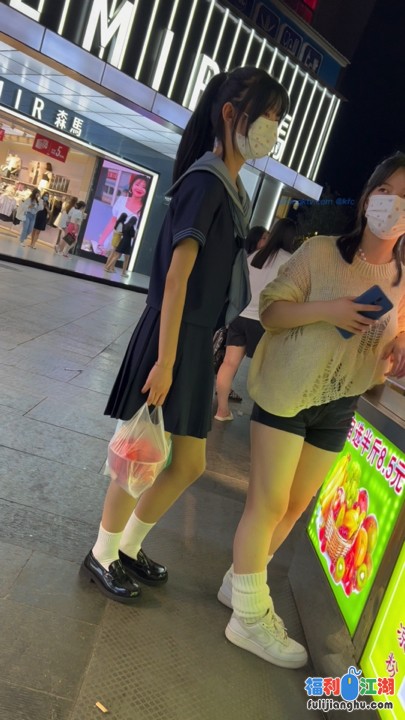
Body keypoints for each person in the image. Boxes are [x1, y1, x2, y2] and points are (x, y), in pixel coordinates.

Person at [81, 66, 290, 608]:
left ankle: (127, 545)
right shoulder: (206, 182)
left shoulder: (231, 187)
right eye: (267, 115)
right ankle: (102, 553)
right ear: (231, 113)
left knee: (189, 462)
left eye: (278, 118)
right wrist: (166, 361)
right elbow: (177, 279)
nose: (272, 127)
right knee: (139, 453)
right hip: (172, 336)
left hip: (194, 339)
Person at [217, 152, 405, 669]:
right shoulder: (321, 252)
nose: (393, 204)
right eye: (386, 190)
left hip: (340, 401)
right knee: (268, 503)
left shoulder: (401, 277)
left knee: (295, 506)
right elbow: (271, 311)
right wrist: (330, 310)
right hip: (286, 390)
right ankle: (249, 617)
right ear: (368, 196)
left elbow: (396, 332)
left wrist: (398, 344)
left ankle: (240, 582)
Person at [215, 218, 298, 420]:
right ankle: (262, 420)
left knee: (229, 363)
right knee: (266, 372)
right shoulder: (291, 261)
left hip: (240, 316)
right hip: (264, 322)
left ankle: (221, 411)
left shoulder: (254, 256)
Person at [97, 176, 150, 254]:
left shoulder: (146, 208)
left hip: (128, 245)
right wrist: (101, 242)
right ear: (131, 185)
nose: (139, 188)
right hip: (113, 240)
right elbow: (112, 222)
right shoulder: (121, 200)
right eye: (137, 184)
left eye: (144, 187)